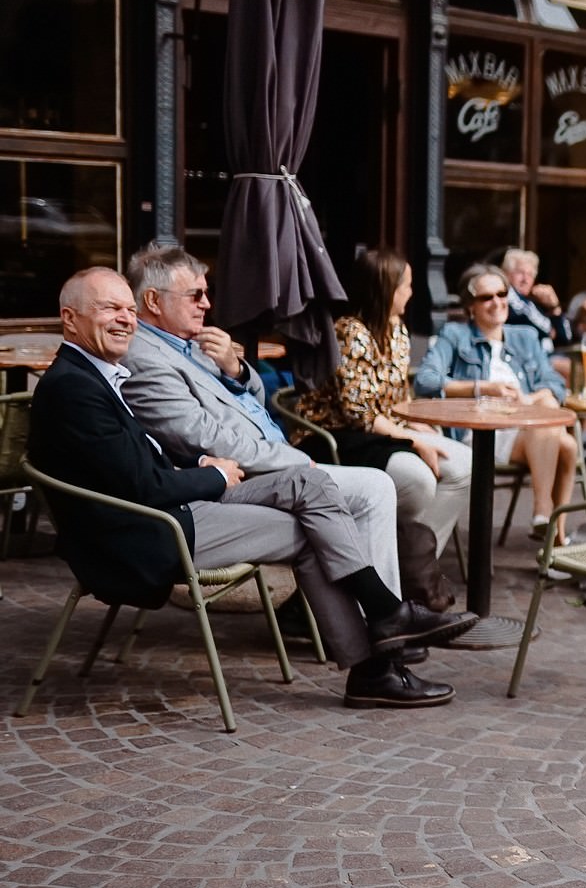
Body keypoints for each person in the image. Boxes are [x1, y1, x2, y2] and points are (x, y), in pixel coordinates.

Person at [29, 270, 477, 709]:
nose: (126, 318)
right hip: (149, 530)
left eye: (128, 308)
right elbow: (139, 485)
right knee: (308, 533)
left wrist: (195, 463)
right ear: (70, 319)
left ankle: (386, 619)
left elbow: (135, 462)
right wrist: (215, 476)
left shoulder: (98, 374)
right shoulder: (72, 389)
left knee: (308, 482)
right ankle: (376, 660)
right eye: (110, 308)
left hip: (174, 501)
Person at [118, 245, 407, 606]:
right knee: (373, 488)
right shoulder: (145, 357)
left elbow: (254, 401)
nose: (206, 304)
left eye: (206, 293)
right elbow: (203, 437)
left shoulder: (189, 342)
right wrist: (293, 461)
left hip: (275, 460)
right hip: (238, 478)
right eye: (196, 295)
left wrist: (234, 368)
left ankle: (371, 617)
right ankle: (382, 618)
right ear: (153, 301)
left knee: (376, 489)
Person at [294, 249, 475, 607]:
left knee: (464, 464)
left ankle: (414, 567)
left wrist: (419, 425)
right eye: (405, 285)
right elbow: (357, 411)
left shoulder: (397, 331)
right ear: (385, 289)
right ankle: (377, 572)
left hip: (382, 430)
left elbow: (395, 398)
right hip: (335, 437)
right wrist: (412, 439)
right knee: (419, 480)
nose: (411, 292)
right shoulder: (348, 332)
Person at [417, 265, 586, 544]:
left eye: (502, 294)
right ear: (471, 306)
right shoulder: (455, 335)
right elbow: (425, 380)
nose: (497, 302)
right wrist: (483, 389)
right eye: (487, 297)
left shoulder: (525, 337)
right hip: (480, 433)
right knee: (564, 443)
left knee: (550, 415)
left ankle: (547, 524)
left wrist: (528, 400)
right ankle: (551, 533)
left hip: (525, 428)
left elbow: (554, 383)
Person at [500, 247, 574, 354]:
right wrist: (550, 331)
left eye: (530, 274)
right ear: (506, 274)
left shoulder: (534, 303)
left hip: (545, 356)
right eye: (520, 272)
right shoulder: (505, 295)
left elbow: (565, 339)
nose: (525, 279)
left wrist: (554, 308)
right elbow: (544, 330)